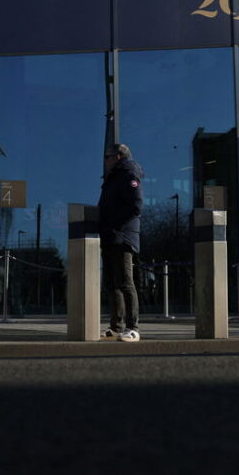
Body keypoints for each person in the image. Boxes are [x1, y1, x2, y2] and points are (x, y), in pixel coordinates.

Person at [98, 143, 144, 342]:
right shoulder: (113, 177)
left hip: (122, 236)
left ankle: (133, 327)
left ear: (117, 157)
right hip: (110, 236)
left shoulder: (127, 173)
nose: (105, 161)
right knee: (111, 283)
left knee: (125, 282)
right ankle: (116, 326)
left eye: (107, 157)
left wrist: (116, 226)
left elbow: (136, 206)